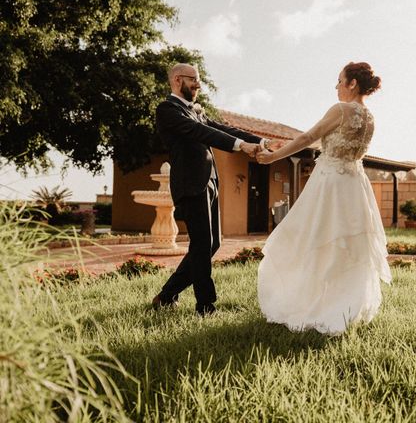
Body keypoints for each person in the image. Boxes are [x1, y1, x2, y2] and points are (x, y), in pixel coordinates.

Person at [255, 62, 391, 335]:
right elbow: (332, 141)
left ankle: (314, 303)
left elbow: (309, 136)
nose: (337, 87)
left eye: (340, 81)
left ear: (352, 83)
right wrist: (288, 144)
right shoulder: (370, 116)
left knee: (313, 236)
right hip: (354, 185)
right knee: (346, 244)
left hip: (330, 183)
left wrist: (271, 157)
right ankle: (346, 306)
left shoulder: (341, 109)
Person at [153, 63, 272, 316]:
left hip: (210, 182)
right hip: (190, 183)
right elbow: (200, 132)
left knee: (212, 244)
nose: (198, 84)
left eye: (199, 80)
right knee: (201, 244)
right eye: (193, 80)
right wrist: (241, 147)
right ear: (177, 80)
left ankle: (166, 295)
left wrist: (259, 141)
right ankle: (205, 305)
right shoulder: (167, 110)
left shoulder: (195, 111)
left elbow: (221, 128)